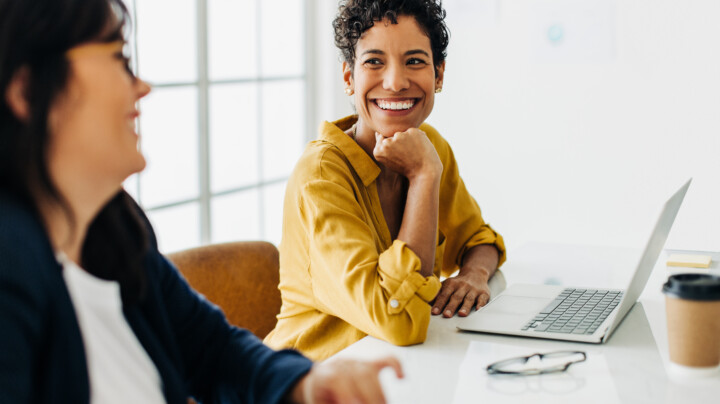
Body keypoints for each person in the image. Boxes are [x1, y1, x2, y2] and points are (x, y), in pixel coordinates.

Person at [0, 0, 402, 402]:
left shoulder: (116, 228)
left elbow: (212, 349)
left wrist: (304, 384)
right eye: (118, 58)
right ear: (30, 90)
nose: (142, 86)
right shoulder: (11, 266)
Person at [264, 0, 506, 360]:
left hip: (403, 372)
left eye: (415, 61)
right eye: (374, 61)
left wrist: (473, 274)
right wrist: (424, 177)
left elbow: (479, 240)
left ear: (439, 75)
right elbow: (399, 320)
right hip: (316, 380)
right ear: (349, 77)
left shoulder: (430, 146)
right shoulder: (320, 176)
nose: (395, 82)